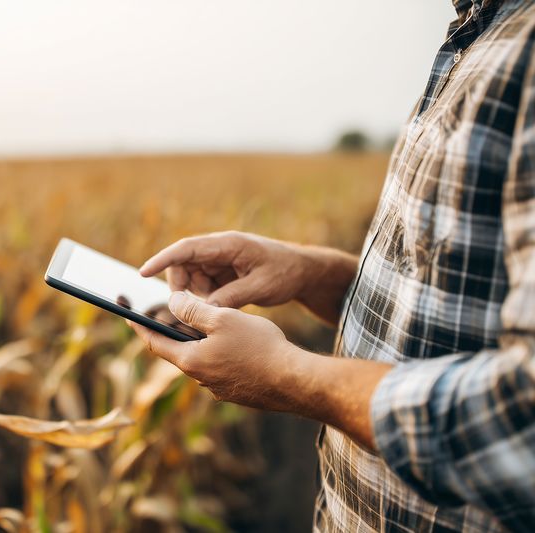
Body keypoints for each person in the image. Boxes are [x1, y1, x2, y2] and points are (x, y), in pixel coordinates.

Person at [128, 1, 535, 531]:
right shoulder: (482, 31)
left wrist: (290, 377)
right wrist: (311, 273)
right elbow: (449, 314)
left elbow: (523, 429)